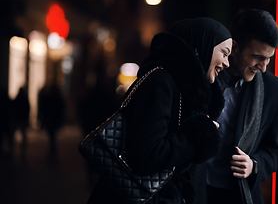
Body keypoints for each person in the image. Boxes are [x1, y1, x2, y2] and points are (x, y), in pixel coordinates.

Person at [87, 17, 232, 204]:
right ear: (203, 45)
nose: (227, 63)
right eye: (224, 53)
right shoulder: (161, 82)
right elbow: (148, 153)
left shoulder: (184, 89)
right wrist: (197, 137)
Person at [206, 9, 278, 204]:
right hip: (194, 190)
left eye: (268, 58)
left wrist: (254, 164)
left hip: (237, 195)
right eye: (258, 57)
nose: (263, 67)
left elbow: (277, 150)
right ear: (235, 47)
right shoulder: (205, 77)